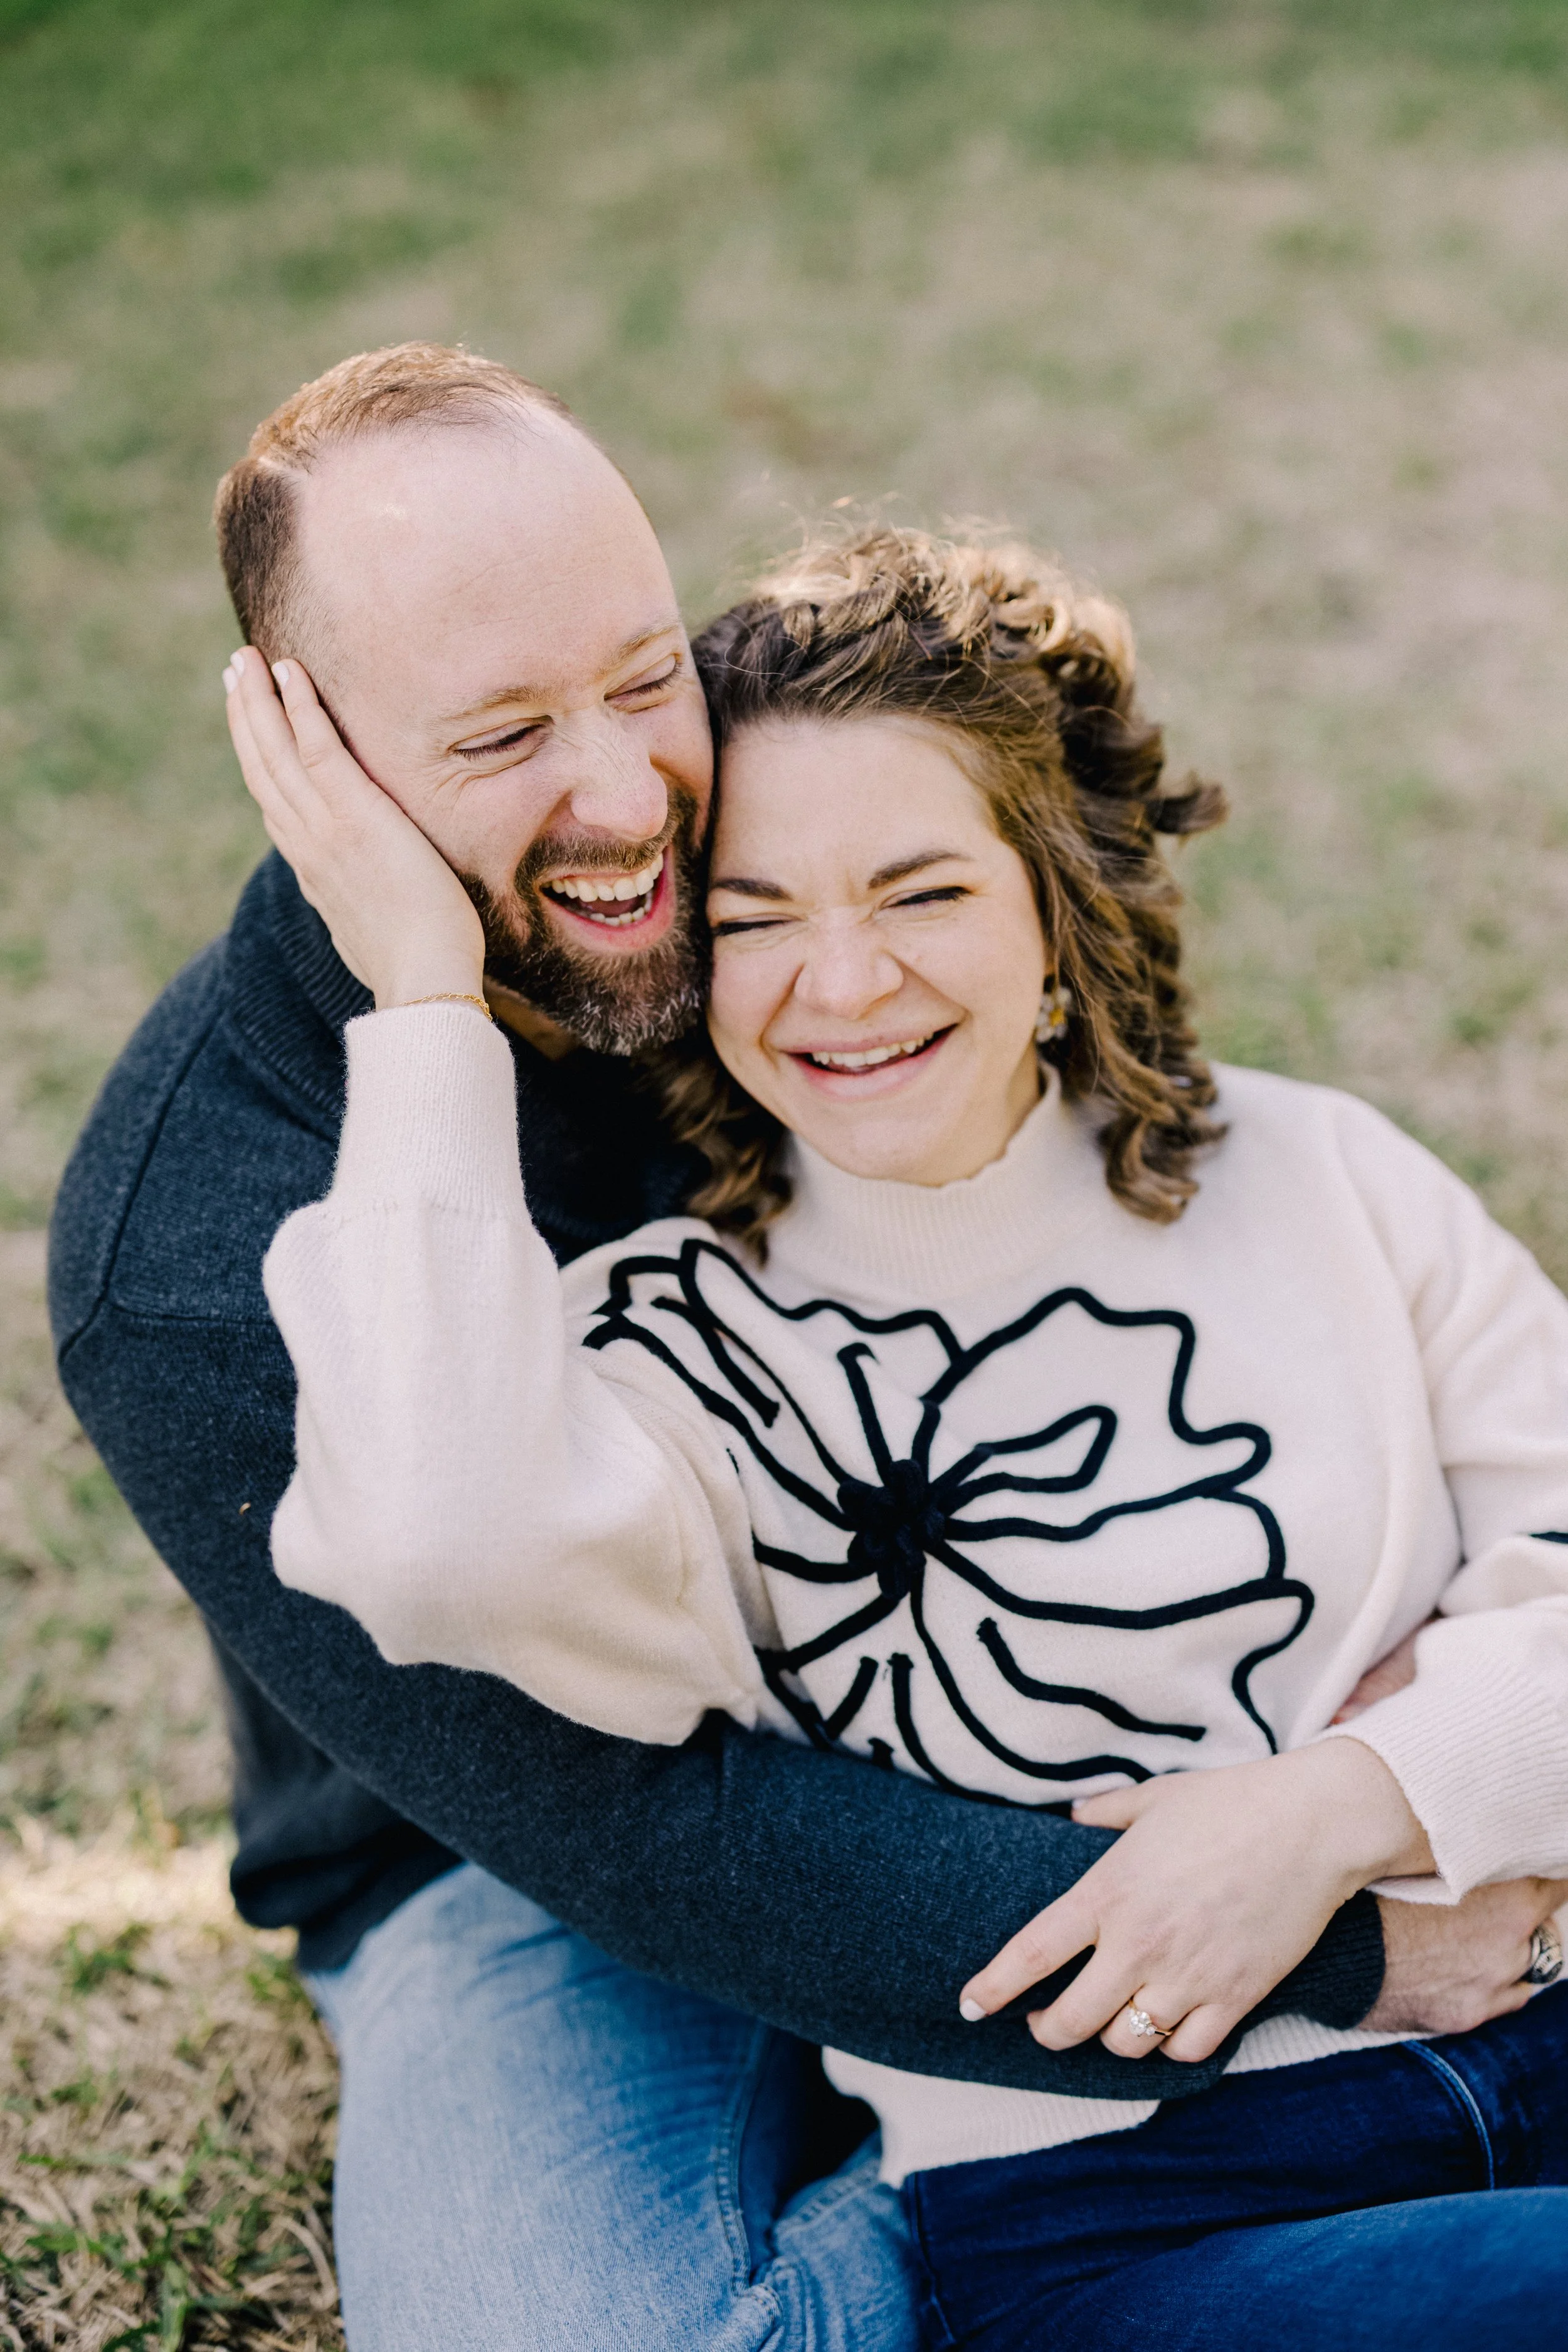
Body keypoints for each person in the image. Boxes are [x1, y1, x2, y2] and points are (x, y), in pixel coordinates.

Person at [50, 342, 1551, 2352]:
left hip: (1081, 1744)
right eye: (498, 735)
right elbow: (639, 1810)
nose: (621, 796)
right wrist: (1344, 1937)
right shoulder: (193, 1245)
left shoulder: (747, 886)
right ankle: (970, 2264)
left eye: (638, 670)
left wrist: (1348, 1791)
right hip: (525, 1833)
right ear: (310, 757)